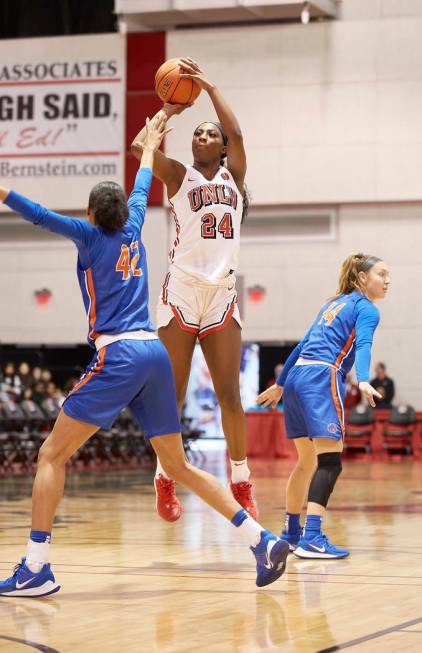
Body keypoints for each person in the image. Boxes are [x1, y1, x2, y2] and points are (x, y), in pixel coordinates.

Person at [0, 115, 288, 598]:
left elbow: (37, 213)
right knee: (178, 465)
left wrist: (5, 191)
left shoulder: (87, 234)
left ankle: (36, 566)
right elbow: (140, 184)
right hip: (154, 353)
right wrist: (152, 143)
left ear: (91, 214)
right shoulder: (134, 224)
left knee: (51, 454)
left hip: (119, 354)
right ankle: (260, 541)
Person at [131, 57, 257, 523]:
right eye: (197, 133)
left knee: (229, 394)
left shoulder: (234, 178)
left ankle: (241, 481)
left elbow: (239, 135)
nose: (203, 137)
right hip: (181, 292)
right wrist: (171, 111)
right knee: (174, 393)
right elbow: (138, 146)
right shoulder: (179, 176)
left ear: (222, 147)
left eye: (210, 134)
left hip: (221, 293)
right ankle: (165, 476)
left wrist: (209, 88)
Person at [257, 253, 390, 559]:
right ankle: (313, 537)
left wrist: (280, 384)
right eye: (381, 274)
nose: (387, 280)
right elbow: (364, 344)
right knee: (330, 462)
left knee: (307, 462)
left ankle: (291, 534)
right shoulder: (366, 308)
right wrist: (365, 379)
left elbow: (302, 345)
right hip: (321, 375)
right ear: (361, 278)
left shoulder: (332, 304)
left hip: (297, 378)